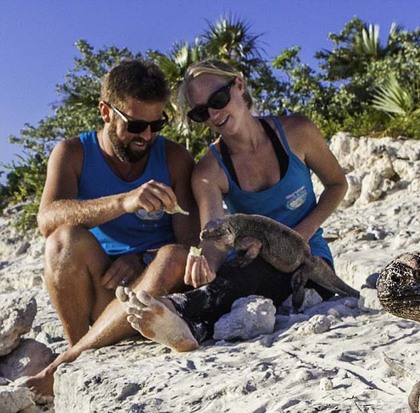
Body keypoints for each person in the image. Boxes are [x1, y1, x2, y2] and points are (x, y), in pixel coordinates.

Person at [118, 59, 349, 351]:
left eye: (218, 99)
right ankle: (183, 321)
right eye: (202, 112)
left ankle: (179, 310)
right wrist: (206, 264)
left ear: (239, 85)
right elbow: (214, 235)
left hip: (307, 258)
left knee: (259, 274)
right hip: (251, 257)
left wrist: (301, 233)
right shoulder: (208, 171)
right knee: (240, 271)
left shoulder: (297, 132)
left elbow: (337, 184)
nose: (214, 115)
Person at [25, 59, 199, 396]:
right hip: (104, 287)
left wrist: (141, 259)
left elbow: (190, 242)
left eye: (156, 124)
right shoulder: (72, 152)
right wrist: (123, 201)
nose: (146, 136)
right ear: (106, 112)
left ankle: (74, 357)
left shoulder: (175, 158)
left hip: (155, 289)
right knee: (62, 242)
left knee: (173, 256)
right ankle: (83, 345)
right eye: (135, 125)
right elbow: (46, 220)